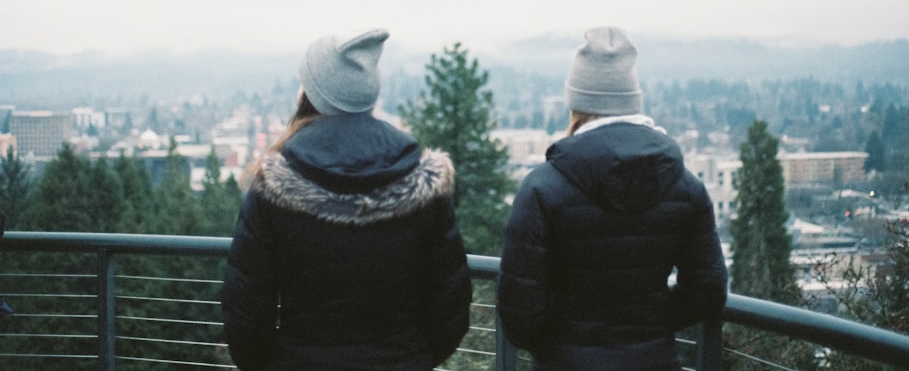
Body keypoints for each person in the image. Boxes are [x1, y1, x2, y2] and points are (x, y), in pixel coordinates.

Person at [222, 29, 472, 371]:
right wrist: (415, 357)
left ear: (311, 92)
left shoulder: (272, 182)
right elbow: (450, 301)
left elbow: (246, 309)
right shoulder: (423, 178)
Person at [498, 26, 728, 370]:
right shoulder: (686, 187)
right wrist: (651, 324)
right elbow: (708, 289)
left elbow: (519, 312)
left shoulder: (541, 189)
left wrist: (560, 343)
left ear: (576, 103)